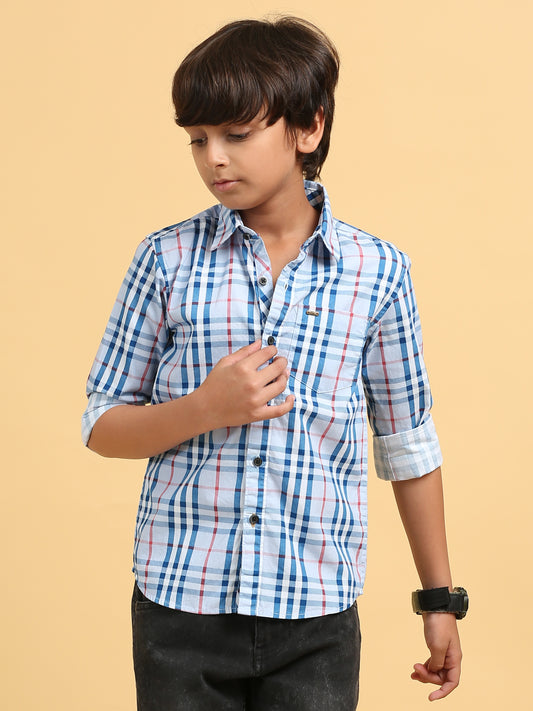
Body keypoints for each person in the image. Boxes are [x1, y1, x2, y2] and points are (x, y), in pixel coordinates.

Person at [82, 16, 464, 711]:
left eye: (236, 134)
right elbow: (102, 423)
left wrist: (438, 600)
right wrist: (203, 409)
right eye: (197, 138)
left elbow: (407, 444)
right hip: (181, 605)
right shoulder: (165, 260)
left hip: (315, 612)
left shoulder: (377, 273)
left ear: (307, 128)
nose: (213, 159)